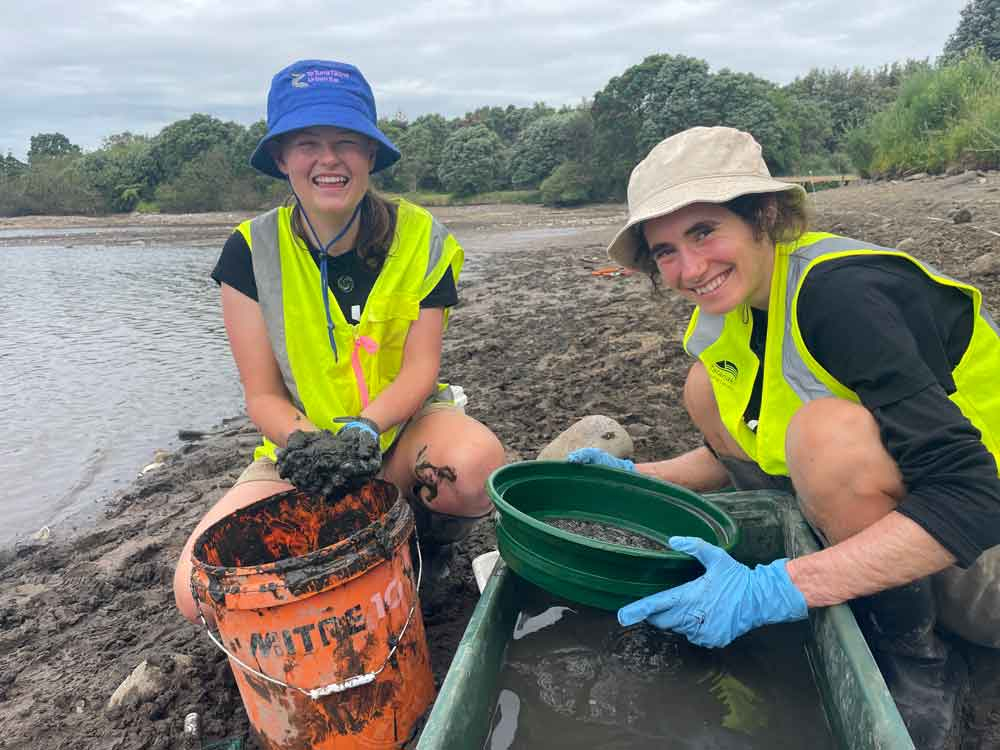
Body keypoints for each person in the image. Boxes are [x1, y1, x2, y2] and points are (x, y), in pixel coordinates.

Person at [568, 126, 1000, 749]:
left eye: (704, 232)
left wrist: (774, 588)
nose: (690, 270)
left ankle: (919, 659)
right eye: (665, 251)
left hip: (981, 557)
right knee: (704, 388)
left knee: (827, 433)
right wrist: (636, 480)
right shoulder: (737, 310)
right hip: (916, 528)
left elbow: (973, 497)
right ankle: (842, 576)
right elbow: (753, 446)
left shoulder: (841, 296)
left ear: (763, 216)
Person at [173, 59, 505, 623]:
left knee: (474, 469)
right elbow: (262, 395)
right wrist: (311, 447)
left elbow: (419, 372)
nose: (329, 159)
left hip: (401, 435)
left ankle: (431, 543)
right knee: (197, 590)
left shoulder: (423, 240)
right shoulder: (249, 252)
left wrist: (365, 430)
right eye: (307, 143)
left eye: (347, 142)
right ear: (281, 159)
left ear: (371, 155)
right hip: (300, 453)